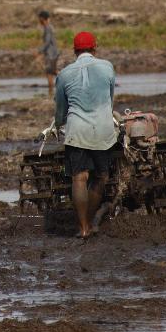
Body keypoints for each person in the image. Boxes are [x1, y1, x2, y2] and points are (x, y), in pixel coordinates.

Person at [54, 31, 116, 239]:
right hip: (103, 130)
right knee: (101, 177)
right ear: (94, 48)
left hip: (77, 130)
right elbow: (110, 99)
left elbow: (61, 110)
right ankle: (90, 221)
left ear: (74, 51)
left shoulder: (64, 74)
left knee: (79, 178)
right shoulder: (107, 67)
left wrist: (57, 124)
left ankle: (82, 228)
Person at [36, 10, 60, 98]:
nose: (38, 20)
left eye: (39, 18)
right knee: (53, 72)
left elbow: (47, 42)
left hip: (51, 54)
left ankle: (50, 95)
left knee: (49, 73)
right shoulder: (50, 27)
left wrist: (40, 51)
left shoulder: (48, 28)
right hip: (52, 53)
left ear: (42, 18)